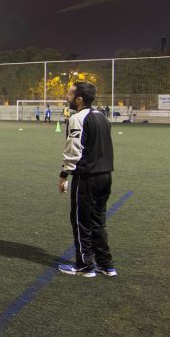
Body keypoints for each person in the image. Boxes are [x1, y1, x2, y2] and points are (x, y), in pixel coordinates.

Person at [57, 82, 116, 278]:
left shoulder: (77, 118)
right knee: (98, 220)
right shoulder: (102, 117)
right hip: (105, 176)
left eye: (70, 93)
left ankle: (84, 265)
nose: (67, 97)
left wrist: (64, 175)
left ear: (79, 99)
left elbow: (74, 151)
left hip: (86, 178)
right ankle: (106, 264)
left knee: (81, 221)